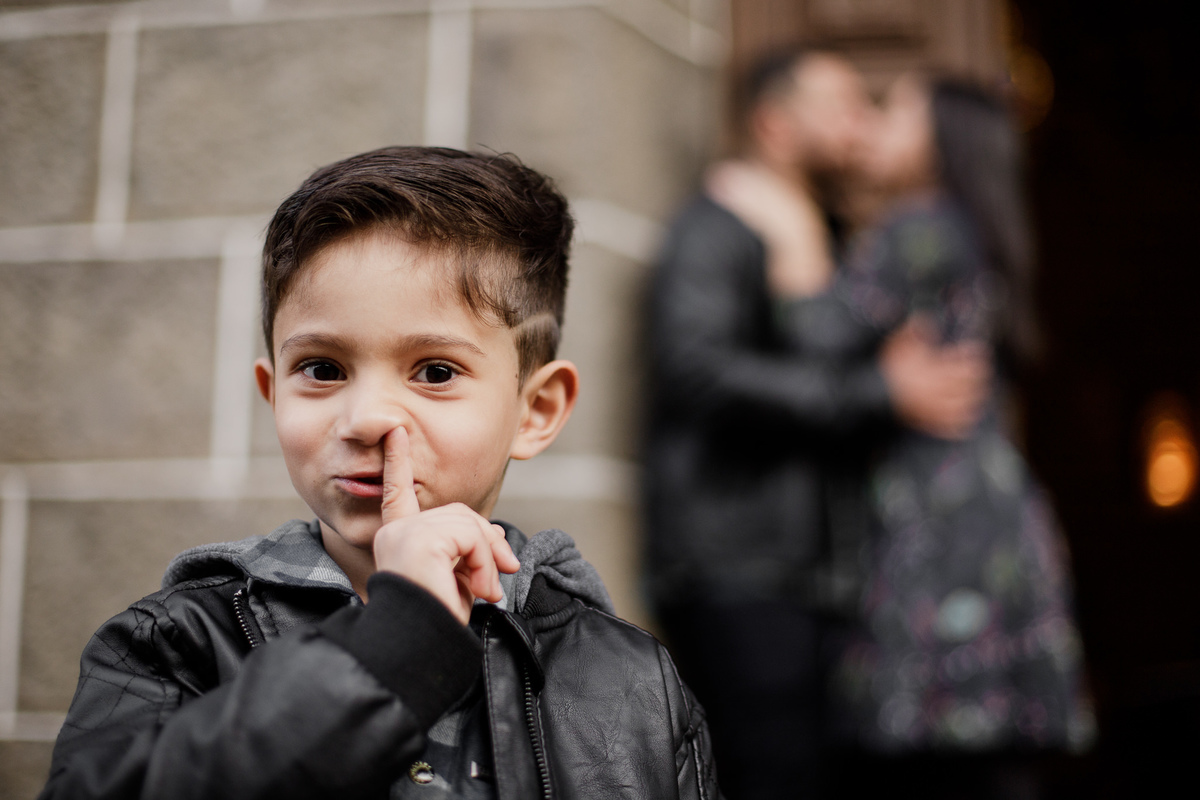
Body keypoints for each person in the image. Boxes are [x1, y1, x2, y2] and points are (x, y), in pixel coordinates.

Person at [39, 147, 721, 800]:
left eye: (435, 372)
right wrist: (393, 646)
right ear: (273, 395)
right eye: (322, 369)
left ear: (535, 411)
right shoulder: (178, 641)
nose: (366, 418)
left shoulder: (632, 679)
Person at [727, 75, 1096, 796]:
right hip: (990, 509)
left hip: (942, 518)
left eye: (893, 110)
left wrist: (790, 225)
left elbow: (816, 330)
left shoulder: (919, 226)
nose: (872, 124)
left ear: (940, 140)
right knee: (989, 760)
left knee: (939, 762)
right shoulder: (970, 226)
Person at [643, 48, 991, 800]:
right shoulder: (717, 225)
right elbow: (698, 372)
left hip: (819, 572)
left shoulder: (835, 234)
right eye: (841, 106)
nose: (861, 123)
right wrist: (878, 392)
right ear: (775, 123)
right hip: (743, 561)